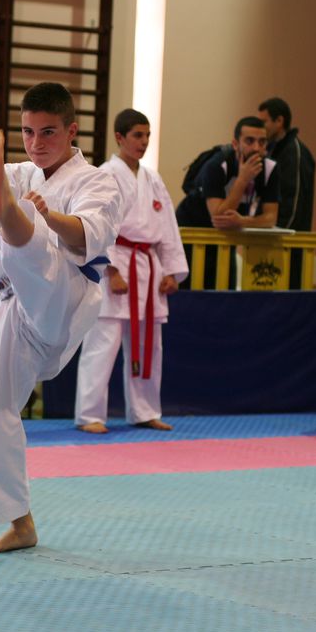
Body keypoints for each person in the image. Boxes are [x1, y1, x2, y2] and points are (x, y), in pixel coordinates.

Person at [0, 82, 126, 554]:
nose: (35, 142)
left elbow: (87, 234)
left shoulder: (97, 181)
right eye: (27, 132)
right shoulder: (20, 171)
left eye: (48, 132)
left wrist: (45, 217)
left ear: (71, 130)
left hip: (63, 295)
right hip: (13, 306)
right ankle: (21, 524)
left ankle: (14, 212)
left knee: (32, 244)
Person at [74, 109, 186, 434]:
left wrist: (171, 270)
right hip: (118, 264)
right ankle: (90, 415)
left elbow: (168, 226)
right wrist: (110, 270)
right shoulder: (105, 175)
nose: (144, 141)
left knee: (150, 345)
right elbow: (98, 224)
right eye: (138, 135)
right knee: (102, 343)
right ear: (119, 137)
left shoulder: (153, 179)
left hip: (149, 267)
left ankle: (145, 411)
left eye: (147, 135)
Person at [191, 116, 280, 288]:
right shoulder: (216, 165)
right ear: (235, 144)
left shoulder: (270, 169)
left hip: (226, 239)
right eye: (249, 141)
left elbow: (271, 218)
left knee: (227, 295)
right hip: (195, 234)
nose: (256, 148)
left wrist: (242, 221)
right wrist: (243, 180)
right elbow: (218, 217)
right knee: (193, 295)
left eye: (262, 142)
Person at [258, 97, 316, 289]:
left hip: (288, 243)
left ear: (279, 121)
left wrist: (279, 234)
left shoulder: (294, 152)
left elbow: (294, 201)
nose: (261, 127)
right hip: (271, 239)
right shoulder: (271, 151)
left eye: (264, 122)